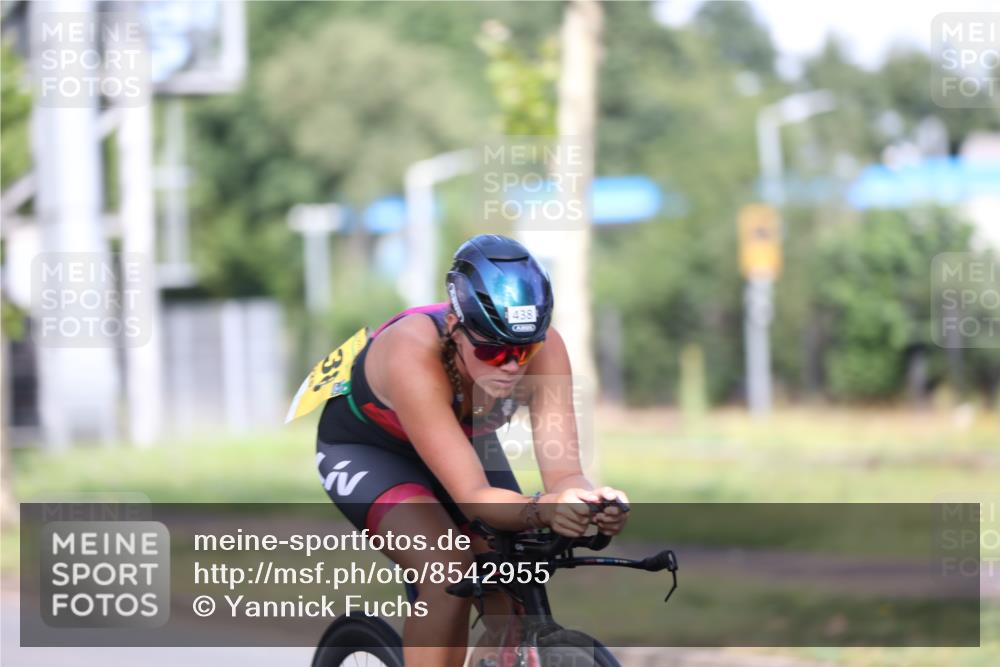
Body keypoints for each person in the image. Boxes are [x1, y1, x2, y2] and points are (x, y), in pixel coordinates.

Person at [315, 233, 629, 667]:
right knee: (447, 570)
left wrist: (589, 503)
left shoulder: (547, 349)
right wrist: (546, 508)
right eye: (491, 350)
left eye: (524, 349)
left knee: (515, 574)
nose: (512, 366)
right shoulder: (412, 352)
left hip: (462, 443)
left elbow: (564, 476)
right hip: (370, 450)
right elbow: (476, 498)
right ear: (453, 328)